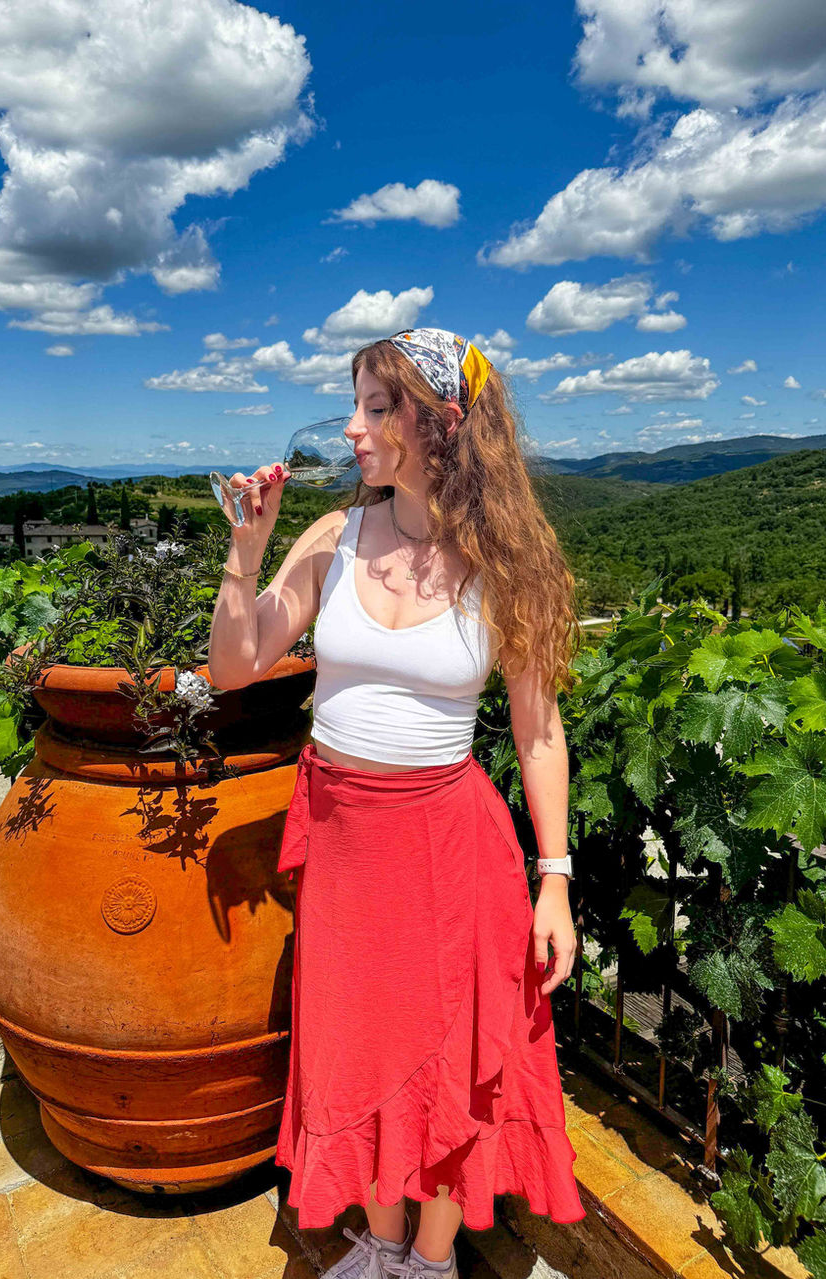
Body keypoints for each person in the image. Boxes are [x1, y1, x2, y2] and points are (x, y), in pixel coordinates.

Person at [207, 328, 586, 1278]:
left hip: (450, 852)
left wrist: (555, 880)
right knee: (356, 1044)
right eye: (356, 405)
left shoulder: (501, 562)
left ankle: (427, 1255)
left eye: (379, 408)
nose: (354, 428)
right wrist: (244, 555)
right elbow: (234, 664)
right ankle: (377, 1239)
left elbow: (538, 733)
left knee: (449, 1057)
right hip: (343, 841)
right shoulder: (333, 539)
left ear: (442, 424)